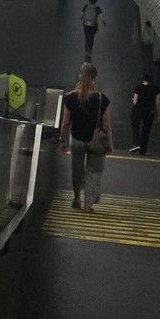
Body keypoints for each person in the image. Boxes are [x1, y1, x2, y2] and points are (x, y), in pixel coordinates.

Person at [59, 61, 112, 211]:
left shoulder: (70, 98)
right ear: (95, 78)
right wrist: (109, 145)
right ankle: (88, 205)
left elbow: (65, 123)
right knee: (94, 172)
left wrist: (62, 141)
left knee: (77, 170)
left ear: (80, 76)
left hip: (76, 140)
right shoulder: (102, 99)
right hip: (95, 142)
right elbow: (106, 126)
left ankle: (76, 199)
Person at [131, 71, 160, 154]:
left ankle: (136, 143)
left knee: (135, 124)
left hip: (138, 109)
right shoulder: (156, 88)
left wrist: (132, 99)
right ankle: (143, 150)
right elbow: (157, 102)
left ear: (143, 77)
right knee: (146, 130)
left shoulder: (138, 87)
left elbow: (135, 101)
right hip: (149, 110)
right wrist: (158, 114)